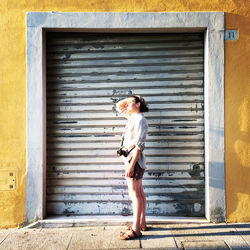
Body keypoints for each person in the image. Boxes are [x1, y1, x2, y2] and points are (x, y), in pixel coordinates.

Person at [116, 95, 149, 240]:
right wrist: (131, 98)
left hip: (133, 160)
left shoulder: (141, 120)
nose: (127, 105)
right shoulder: (132, 117)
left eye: (131, 103)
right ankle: (142, 223)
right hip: (130, 159)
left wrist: (131, 164)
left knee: (135, 195)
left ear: (138, 105)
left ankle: (136, 229)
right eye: (128, 103)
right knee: (140, 193)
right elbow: (118, 106)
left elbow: (140, 145)